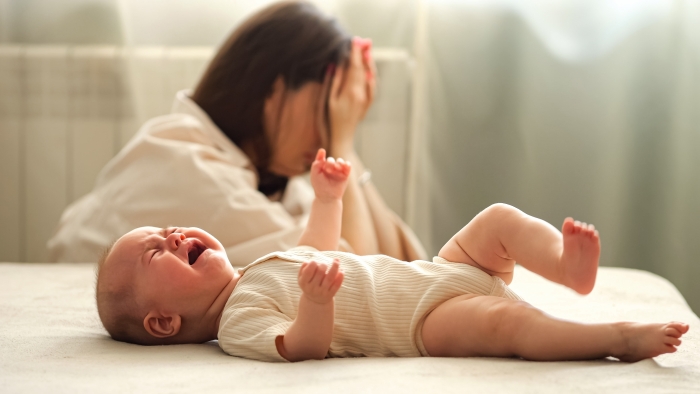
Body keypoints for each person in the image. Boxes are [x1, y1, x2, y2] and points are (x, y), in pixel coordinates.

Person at [96, 148, 689, 363]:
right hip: (419, 323)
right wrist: (314, 303)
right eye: (156, 252)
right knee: (509, 324)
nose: (172, 236)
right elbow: (301, 347)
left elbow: (317, 248)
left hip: (440, 271)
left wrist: (329, 197)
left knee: (498, 220)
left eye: (167, 229)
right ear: (163, 322)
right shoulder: (237, 325)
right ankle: (615, 339)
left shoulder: (256, 269)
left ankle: (567, 267)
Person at [48, 1, 425, 265]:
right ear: (273, 92)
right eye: (327, 109)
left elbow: (408, 266)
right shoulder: (195, 169)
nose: (327, 133)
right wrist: (342, 142)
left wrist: (348, 145)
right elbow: (356, 277)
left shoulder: (264, 176)